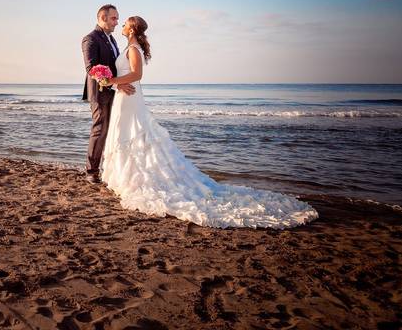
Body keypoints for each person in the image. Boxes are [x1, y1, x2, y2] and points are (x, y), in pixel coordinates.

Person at [101, 15, 319, 228]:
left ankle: (136, 180)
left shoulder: (133, 49)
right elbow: (128, 75)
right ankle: (124, 178)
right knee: (125, 134)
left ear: (131, 29)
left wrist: (111, 80)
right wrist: (116, 83)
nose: (119, 24)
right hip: (125, 95)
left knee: (131, 133)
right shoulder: (130, 47)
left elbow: (137, 74)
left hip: (130, 98)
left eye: (124, 22)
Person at [81, 4, 135, 184]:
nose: (117, 22)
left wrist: (121, 83)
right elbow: (92, 69)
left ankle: (109, 168)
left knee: (111, 130)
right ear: (103, 18)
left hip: (113, 91)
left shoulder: (111, 40)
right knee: (100, 129)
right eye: (114, 18)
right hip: (99, 92)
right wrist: (116, 85)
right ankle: (91, 171)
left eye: (118, 18)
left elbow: (114, 66)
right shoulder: (90, 39)